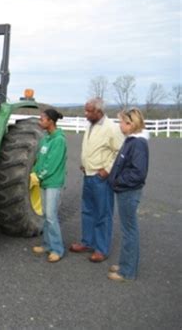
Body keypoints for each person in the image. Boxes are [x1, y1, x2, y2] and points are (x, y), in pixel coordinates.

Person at [70, 98, 124, 262]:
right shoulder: (91, 125)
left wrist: (107, 170)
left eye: (89, 111)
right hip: (88, 174)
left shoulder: (112, 128)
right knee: (87, 210)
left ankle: (101, 249)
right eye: (85, 110)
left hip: (101, 178)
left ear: (99, 112)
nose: (85, 114)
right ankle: (88, 242)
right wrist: (85, 163)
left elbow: (120, 151)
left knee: (103, 213)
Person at [107, 108, 149, 281]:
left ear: (131, 124)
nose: (120, 125)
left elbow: (138, 173)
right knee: (128, 230)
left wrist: (117, 181)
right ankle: (125, 264)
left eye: (122, 122)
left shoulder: (137, 143)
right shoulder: (131, 140)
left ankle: (127, 271)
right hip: (126, 190)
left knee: (129, 231)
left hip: (129, 191)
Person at [31, 109, 67, 263]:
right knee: (45, 215)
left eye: (43, 119)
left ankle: (57, 249)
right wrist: (34, 172)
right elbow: (40, 160)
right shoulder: (46, 139)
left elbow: (52, 164)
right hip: (44, 182)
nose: (40, 121)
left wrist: (39, 176)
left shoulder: (59, 140)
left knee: (52, 217)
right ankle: (46, 244)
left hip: (53, 182)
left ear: (51, 121)